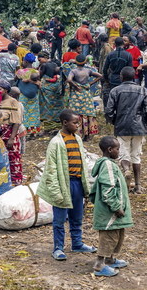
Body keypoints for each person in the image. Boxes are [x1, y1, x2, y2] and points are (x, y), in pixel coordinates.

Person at [36, 110, 96, 261]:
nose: (78, 126)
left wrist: (85, 186)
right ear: (64, 123)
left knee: (77, 216)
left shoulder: (77, 138)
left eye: (78, 123)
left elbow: (82, 163)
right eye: (75, 123)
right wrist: (56, 192)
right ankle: (58, 248)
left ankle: (77, 243)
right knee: (60, 219)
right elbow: (50, 170)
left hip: (77, 183)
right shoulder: (56, 143)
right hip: (64, 183)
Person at [105, 66, 147, 193]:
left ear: (121, 77)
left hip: (122, 126)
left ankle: (126, 171)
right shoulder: (143, 90)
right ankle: (138, 186)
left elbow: (109, 110)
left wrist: (114, 122)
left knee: (123, 153)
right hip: (139, 127)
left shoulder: (115, 91)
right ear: (134, 76)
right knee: (136, 155)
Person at [90, 136, 133, 277]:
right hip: (110, 210)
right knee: (108, 236)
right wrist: (116, 207)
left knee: (118, 233)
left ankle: (110, 259)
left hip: (116, 209)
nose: (118, 151)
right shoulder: (107, 165)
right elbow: (107, 189)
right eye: (117, 149)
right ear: (109, 150)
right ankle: (99, 265)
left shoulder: (111, 163)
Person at [66, 55, 101, 141]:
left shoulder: (73, 71)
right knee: (87, 112)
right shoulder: (88, 70)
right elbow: (100, 76)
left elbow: (69, 80)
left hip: (76, 94)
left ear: (76, 62)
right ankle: (87, 135)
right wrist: (90, 83)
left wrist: (76, 86)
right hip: (86, 92)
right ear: (85, 62)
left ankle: (77, 134)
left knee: (76, 113)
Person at [0, 80, 24, 185]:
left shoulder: (13, 102)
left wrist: (12, 138)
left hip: (9, 132)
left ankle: (16, 182)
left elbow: (16, 121)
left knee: (13, 157)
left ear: (6, 90)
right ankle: (3, 181)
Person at [101, 37, 132, 109]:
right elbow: (130, 69)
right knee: (123, 99)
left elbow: (105, 69)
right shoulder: (128, 55)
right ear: (123, 44)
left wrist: (106, 79)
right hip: (124, 80)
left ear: (115, 44)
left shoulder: (110, 55)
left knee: (113, 97)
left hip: (113, 79)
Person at [38, 52, 63, 123]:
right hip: (54, 85)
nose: (39, 61)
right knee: (54, 102)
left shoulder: (44, 65)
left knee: (46, 102)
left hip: (47, 85)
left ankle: (46, 117)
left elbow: (40, 76)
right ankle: (56, 117)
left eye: (40, 60)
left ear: (45, 58)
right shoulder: (54, 64)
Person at [16, 66, 41, 136]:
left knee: (24, 113)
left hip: (23, 96)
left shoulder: (20, 72)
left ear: (25, 62)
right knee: (34, 113)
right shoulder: (36, 72)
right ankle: (34, 131)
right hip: (34, 97)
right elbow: (39, 85)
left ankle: (25, 131)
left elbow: (16, 80)